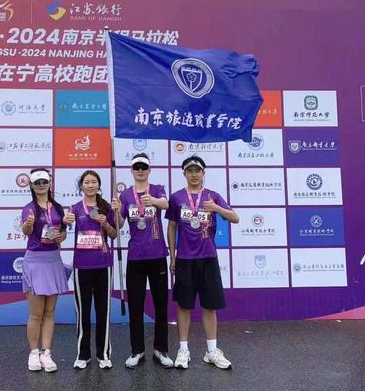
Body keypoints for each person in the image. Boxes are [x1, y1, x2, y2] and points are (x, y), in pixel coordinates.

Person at [165, 155, 239, 370]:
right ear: (185, 174)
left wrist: (216, 208)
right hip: (184, 259)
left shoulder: (212, 196)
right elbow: (171, 227)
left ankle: (211, 351)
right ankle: (183, 350)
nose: (194, 174)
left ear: (203, 173)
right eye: (190, 171)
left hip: (208, 258)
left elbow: (235, 218)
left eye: (197, 170)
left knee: (210, 305)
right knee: (184, 306)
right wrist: (172, 256)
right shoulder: (176, 198)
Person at [111, 153, 173, 368]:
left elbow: (166, 204)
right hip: (136, 257)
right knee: (135, 306)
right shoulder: (126, 195)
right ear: (131, 170)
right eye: (136, 167)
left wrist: (152, 201)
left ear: (149, 170)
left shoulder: (157, 189)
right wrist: (116, 211)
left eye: (143, 167)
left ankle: (161, 349)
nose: (140, 170)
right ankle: (137, 350)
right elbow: (119, 225)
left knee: (161, 305)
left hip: (157, 255)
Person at [64, 170, 117, 369]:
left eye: (94, 182)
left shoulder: (105, 207)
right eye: (86, 182)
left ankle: (103, 354)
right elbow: (62, 231)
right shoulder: (75, 208)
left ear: (98, 185)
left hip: (103, 265)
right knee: (82, 312)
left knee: (103, 311)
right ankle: (83, 354)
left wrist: (105, 223)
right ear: (81, 186)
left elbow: (114, 234)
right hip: (82, 265)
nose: (90, 185)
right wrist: (65, 222)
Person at [20, 168, 69, 373]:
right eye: (37, 182)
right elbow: (26, 231)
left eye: (44, 182)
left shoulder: (57, 207)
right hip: (35, 260)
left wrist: (61, 237)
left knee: (49, 312)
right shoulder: (29, 209)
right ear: (32, 186)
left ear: (49, 184)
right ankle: (33, 353)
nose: (41, 185)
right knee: (36, 314)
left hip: (53, 259)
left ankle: (46, 353)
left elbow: (63, 233)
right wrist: (28, 225)